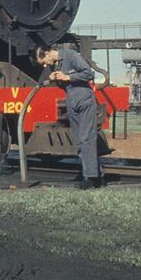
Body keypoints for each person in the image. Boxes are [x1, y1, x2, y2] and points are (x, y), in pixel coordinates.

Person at [35, 45, 104, 189]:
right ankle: (97, 175)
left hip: (84, 99)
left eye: (44, 61)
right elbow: (63, 84)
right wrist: (54, 79)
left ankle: (90, 178)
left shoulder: (71, 56)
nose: (45, 65)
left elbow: (88, 73)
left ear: (47, 53)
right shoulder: (55, 66)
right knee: (79, 140)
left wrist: (67, 77)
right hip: (71, 101)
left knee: (86, 138)